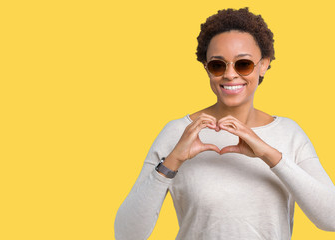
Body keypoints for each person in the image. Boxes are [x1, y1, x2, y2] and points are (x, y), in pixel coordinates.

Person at [114, 7, 335, 240]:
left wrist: (270, 155)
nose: (230, 75)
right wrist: (172, 161)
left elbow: (331, 219)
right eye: (218, 65)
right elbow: (127, 234)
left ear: (263, 65)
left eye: (243, 64)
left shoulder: (290, 134)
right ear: (206, 68)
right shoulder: (178, 133)